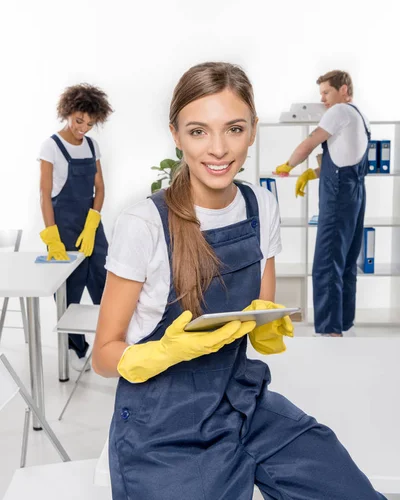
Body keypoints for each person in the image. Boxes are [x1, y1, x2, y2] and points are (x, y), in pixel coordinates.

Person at [93, 63, 384, 499]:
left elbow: (258, 311)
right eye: (198, 131)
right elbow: (103, 353)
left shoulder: (260, 205)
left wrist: (267, 325)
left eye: (233, 128)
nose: (217, 149)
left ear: (252, 130)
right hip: (164, 424)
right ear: (175, 134)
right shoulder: (144, 223)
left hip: (244, 399)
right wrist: (155, 355)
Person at [275, 70, 370, 336]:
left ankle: (330, 330)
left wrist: (289, 165)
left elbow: (309, 142)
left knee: (327, 261)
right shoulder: (358, 116)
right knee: (346, 260)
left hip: (339, 194)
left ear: (343, 89)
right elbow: (344, 158)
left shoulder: (338, 112)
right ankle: (343, 323)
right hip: (355, 192)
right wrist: (311, 173)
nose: (324, 99)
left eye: (327, 92)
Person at [38, 83, 113, 371]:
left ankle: (108, 342)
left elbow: (100, 189)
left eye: (90, 124)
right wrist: (52, 238)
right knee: (70, 291)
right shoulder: (52, 146)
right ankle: (74, 349)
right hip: (64, 229)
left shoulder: (92, 146)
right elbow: (45, 194)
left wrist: (93, 223)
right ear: (68, 112)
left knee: (105, 283)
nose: (83, 128)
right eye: (79, 120)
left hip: (91, 225)